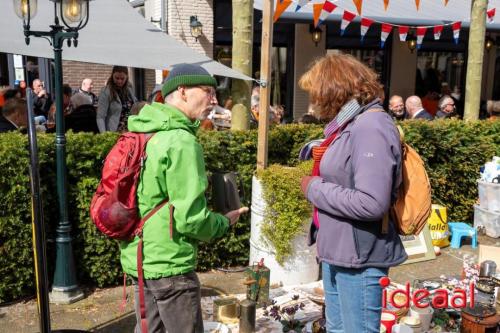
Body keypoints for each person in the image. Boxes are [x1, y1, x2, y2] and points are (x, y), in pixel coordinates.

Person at [121, 63, 248, 333]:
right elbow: (191, 220)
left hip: (140, 259)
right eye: (207, 91)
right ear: (182, 91)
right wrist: (224, 222)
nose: (214, 100)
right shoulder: (181, 141)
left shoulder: (143, 130)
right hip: (171, 265)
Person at [298, 54, 407, 333]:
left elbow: (372, 202)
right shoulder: (349, 124)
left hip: (360, 259)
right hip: (339, 252)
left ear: (334, 91)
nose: (314, 103)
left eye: (317, 94)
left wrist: (314, 188)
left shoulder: (371, 127)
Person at [96, 66, 137, 132]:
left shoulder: (129, 89)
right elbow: (100, 117)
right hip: (115, 132)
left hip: (130, 130)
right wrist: (104, 135)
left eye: (122, 78)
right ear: (112, 76)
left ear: (127, 77)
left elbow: (135, 104)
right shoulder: (106, 91)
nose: (119, 81)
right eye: (117, 78)